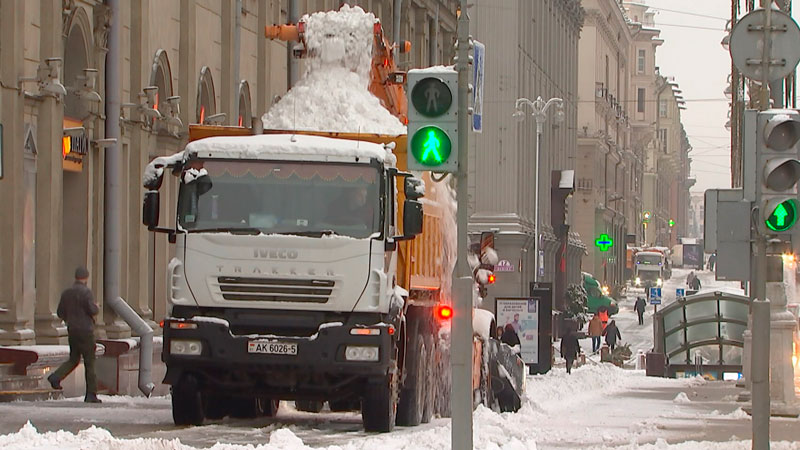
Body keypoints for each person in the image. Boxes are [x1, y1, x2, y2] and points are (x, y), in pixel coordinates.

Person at [47, 266, 101, 403]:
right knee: (90, 362)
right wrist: (97, 307)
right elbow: (92, 309)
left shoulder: (67, 293)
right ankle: (91, 394)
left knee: (74, 359)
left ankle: (56, 377)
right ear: (86, 278)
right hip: (86, 331)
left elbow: (60, 312)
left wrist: (69, 319)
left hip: (72, 330)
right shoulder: (86, 293)